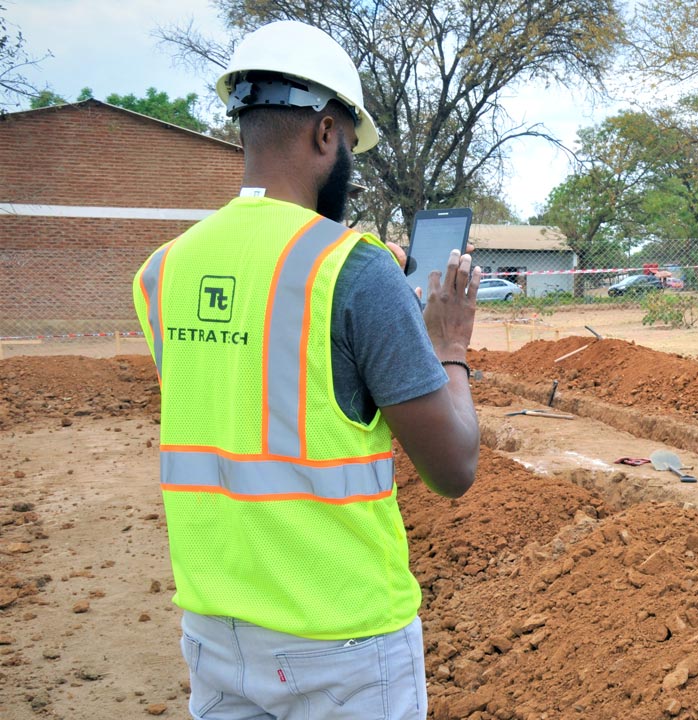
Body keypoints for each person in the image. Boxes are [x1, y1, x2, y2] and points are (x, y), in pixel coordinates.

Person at [131, 21, 480, 719]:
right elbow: (453, 466)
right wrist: (448, 346)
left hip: (217, 633)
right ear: (326, 133)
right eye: (350, 144)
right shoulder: (353, 269)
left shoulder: (162, 272)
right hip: (342, 644)